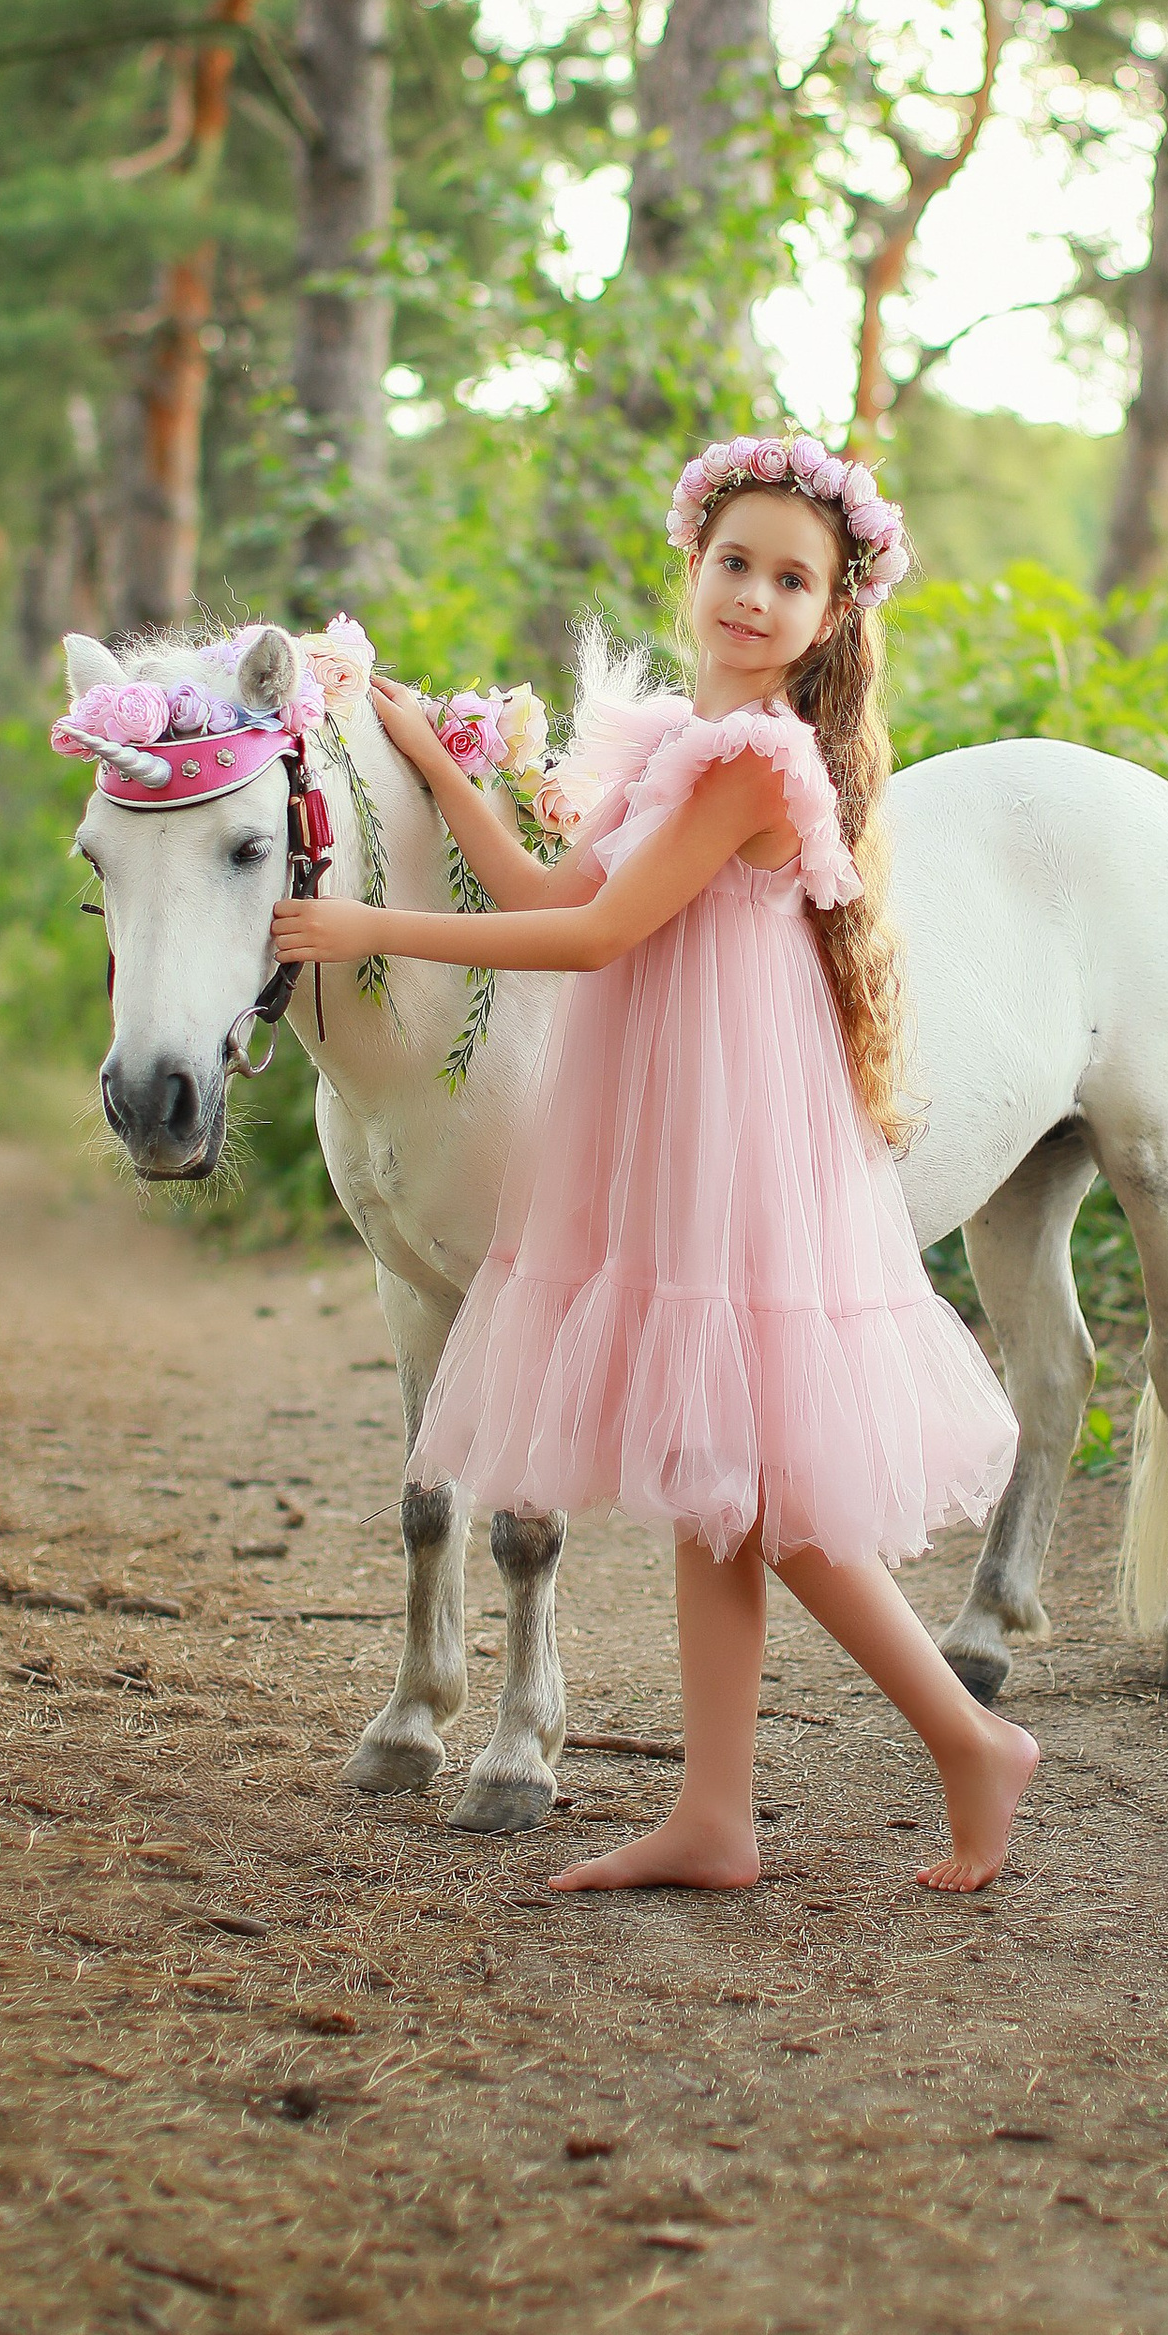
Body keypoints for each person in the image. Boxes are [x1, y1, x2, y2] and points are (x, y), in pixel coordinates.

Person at [269, 436, 1037, 1896]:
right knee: (713, 1482)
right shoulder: (680, 742)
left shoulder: (757, 762)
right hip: (680, 1119)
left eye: (791, 579)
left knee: (762, 1491)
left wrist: (379, 934)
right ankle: (717, 1814)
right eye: (734, 563)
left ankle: (965, 1739)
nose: (752, 595)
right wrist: (433, 758)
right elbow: (553, 887)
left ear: (831, 620)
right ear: (692, 568)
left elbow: (597, 940)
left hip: (736, 1134)